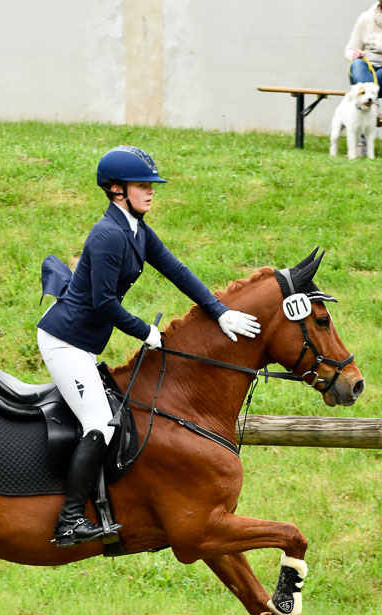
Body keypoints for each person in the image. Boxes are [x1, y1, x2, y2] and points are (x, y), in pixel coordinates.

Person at [37, 145, 261, 547]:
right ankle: (69, 520)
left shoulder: (136, 230)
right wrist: (145, 332)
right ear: (116, 191)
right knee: (100, 423)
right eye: (143, 185)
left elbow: (177, 270)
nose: (151, 192)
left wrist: (219, 311)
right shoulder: (108, 235)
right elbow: (104, 303)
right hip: (64, 341)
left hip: (83, 343)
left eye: (151, 185)